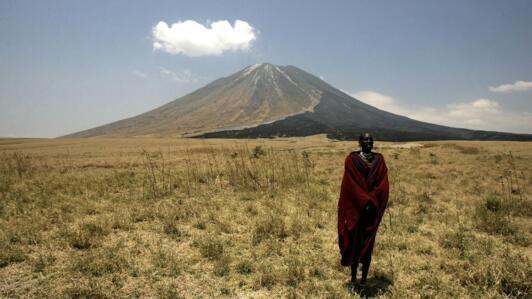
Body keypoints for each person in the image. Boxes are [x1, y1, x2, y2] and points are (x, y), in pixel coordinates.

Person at [337, 132, 389, 292]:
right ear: (359, 142)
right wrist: (363, 200)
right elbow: (350, 186)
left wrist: (372, 201)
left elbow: (382, 184)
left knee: (368, 244)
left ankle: (364, 280)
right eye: (365, 139)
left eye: (371, 139)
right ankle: (353, 279)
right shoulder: (352, 160)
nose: (369, 142)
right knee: (354, 243)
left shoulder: (379, 160)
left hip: (372, 210)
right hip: (356, 210)